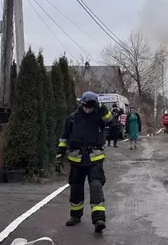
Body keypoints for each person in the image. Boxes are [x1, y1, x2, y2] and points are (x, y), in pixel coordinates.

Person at [56, 91, 113, 233]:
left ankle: (99, 219)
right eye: (86, 106)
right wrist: (59, 155)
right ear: (82, 105)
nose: (88, 109)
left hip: (95, 158)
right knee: (76, 188)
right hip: (76, 158)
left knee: (95, 186)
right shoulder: (72, 118)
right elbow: (64, 137)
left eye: (91, 107)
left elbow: (110, 121)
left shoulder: (99, 116)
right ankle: (75, 216)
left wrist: (101, 107)